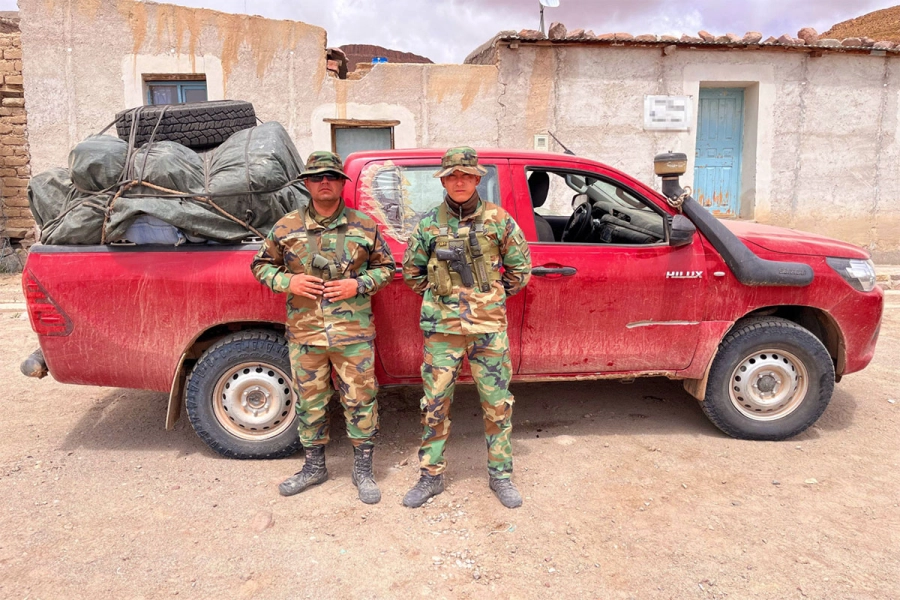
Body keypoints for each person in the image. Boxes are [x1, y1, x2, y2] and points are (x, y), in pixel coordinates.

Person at [251, 151, 395, 504]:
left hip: (353, 335)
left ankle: (363, 470)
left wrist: (357, 285)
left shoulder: (364, 225)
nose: (325, 182)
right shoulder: (286, 227)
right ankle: (314, 467)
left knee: (361, 400)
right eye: (317, 178)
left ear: (342, 183)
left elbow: (388, 268)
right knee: (310, 403)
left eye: (331, 176)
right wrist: (289, 282)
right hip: (306, 333)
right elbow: (260, 265)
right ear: (307, 184)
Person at [401, 146, 532, 509]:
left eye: (466, 175)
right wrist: (443, 296)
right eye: (452, 176)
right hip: (442, 330)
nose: (459, 182)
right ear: (443, 180)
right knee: (435, 403)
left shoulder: (499, 220)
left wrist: (488, 297)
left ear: (477, 179)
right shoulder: (428, 224)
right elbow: (411, 273)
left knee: (497, 404)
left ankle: (501, 475)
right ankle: (430, 476)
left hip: (487, 329)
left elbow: (520, 271)